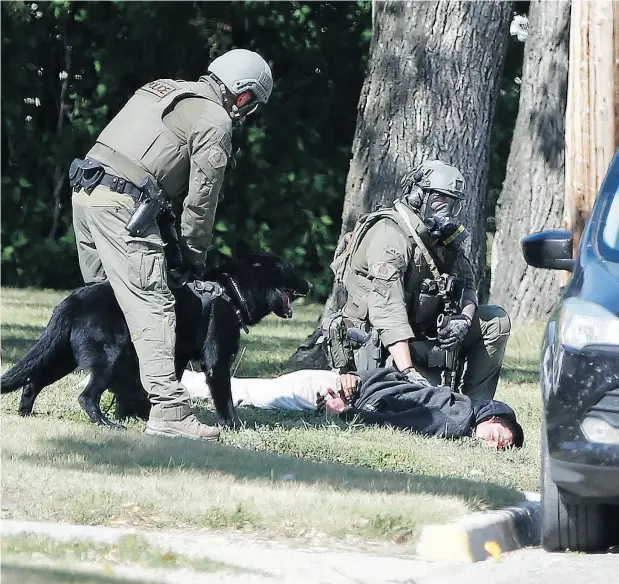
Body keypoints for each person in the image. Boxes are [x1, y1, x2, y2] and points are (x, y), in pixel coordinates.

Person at [70, 49, 273, 441]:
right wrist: (194, 256)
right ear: (244, 96)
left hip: (86, 192)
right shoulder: (216, 121)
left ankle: (127, 395)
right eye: (252, 106)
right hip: (122, 206)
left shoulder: (163, 88)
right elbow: (200, 202)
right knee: (152, 303)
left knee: (110, 302)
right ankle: (168, 412)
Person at [324, 160, 511, 404]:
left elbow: (468, 287)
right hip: (382, 343)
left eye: (453, 205)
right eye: (439, 202)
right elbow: (386, 309)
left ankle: (477, 408)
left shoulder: (438, 238)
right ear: (417, 196)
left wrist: (464, 320)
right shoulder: (389, 233)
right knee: (418, 404)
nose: (445, 211)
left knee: (495, 319)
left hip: (422, 335)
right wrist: (408, 372)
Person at [180, 368, 524, 449]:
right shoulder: (454, 418)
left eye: (499, 446)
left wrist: (356, 378)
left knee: (250, 388)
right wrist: (345, 413)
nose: (493, 443)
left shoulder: (458, 401)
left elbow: (394, 384)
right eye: (498, 436)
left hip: (345, 383)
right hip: (330, 392)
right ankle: (169, 381)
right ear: (493, 418)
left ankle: (175, 377)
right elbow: (399, 421)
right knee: (246, 393)